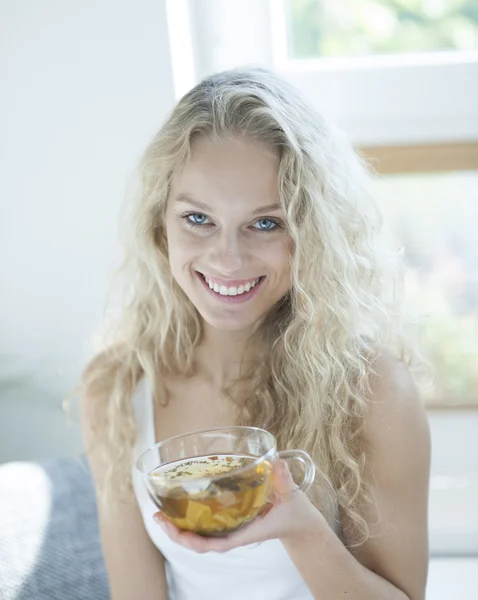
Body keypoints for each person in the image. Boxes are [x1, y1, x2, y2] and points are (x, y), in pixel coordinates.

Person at [79, 67, 431, 600]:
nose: (228, 258)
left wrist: (300, 525)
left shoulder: (373, 391)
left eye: (266, 223)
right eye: (198, 218)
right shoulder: (115, 387)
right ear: (160, 225)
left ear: (311, 234)